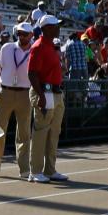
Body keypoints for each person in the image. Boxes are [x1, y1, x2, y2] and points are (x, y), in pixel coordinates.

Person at [0, 22, 34, 178]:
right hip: (5, 92)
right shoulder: (7, 48)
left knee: (24, 133)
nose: (21, 36)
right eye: (20, 33)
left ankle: (24, 169)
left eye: (25, 34)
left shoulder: (34, 50)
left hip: (25, 93)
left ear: (31, 35)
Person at [27, 15, 69, 183]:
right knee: (40, 132)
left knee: (54, 133)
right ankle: (35, 170)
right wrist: (41, 96)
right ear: (46, 28)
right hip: (45, 92)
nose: (58, 28)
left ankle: (50, 170)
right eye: (55, 26)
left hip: (56, 93)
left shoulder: (52, 46)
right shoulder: (38, 47)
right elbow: (32, 73)